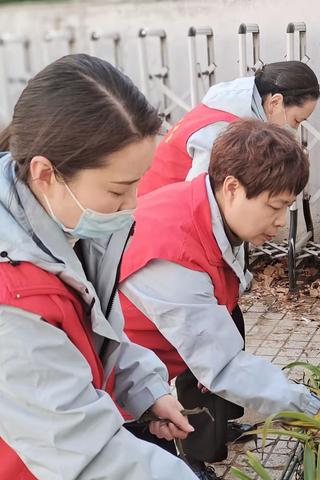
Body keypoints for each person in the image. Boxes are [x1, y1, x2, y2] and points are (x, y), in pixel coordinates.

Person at [0, 54, 198, 480]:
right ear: (45, 173)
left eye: (137, 185)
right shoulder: (12, 298)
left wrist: (145, 389)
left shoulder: (63, 222)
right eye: (117, 190)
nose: (131, 207)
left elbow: (100, 331)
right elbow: (82, 451)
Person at [119, 119, 320, 479]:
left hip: (138, 380)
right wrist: (313, 411)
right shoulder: (173, 250)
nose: (280, 222)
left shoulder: (203, 205)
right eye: (274, 206)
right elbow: (223, 366)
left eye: (287, 208)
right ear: (232, 186)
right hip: (106, 392)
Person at [137, 60, 320, 195]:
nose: (294, 130)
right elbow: (196, 194)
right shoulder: (223, 128)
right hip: (158, 215)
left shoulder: (228, 108)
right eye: (296, 121)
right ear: (275, 102)